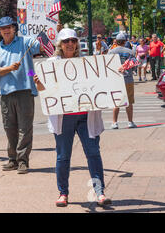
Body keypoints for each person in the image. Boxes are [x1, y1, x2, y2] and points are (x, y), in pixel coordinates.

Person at [33, 28, 112, 208]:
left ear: (77, 43)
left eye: (73, 41)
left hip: (86, 117)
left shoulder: (85, 62)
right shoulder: (52, 63)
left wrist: (114, 72)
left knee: (93, 153)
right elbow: (36, 79)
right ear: (60, 44)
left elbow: (102, 81)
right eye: (66, 41)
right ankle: (63, 193)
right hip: (63, 119)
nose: (70, 44)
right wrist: (36, 80)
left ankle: (100, 193)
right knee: (63, 157)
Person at [0, 16, 43, 174]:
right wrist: (9, 68)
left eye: (9, 27)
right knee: (9, 127)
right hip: (6, 92)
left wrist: (49, 32)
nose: (6, 30)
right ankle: (12, 159)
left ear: (14, 28)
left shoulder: (25, 42)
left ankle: (23, 161)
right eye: (3, 28)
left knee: (25, 128)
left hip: (25, 90)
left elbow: (40, 47)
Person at [108, 33, 137, 129]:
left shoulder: (111, 52)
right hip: (128, 78)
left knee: (117, 102)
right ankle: (130, 122)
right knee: (129, 102)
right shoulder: (130, 51)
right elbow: (134, 64)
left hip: (116, 80)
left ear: (116, 41)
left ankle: (114, 122)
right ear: (125, 41)